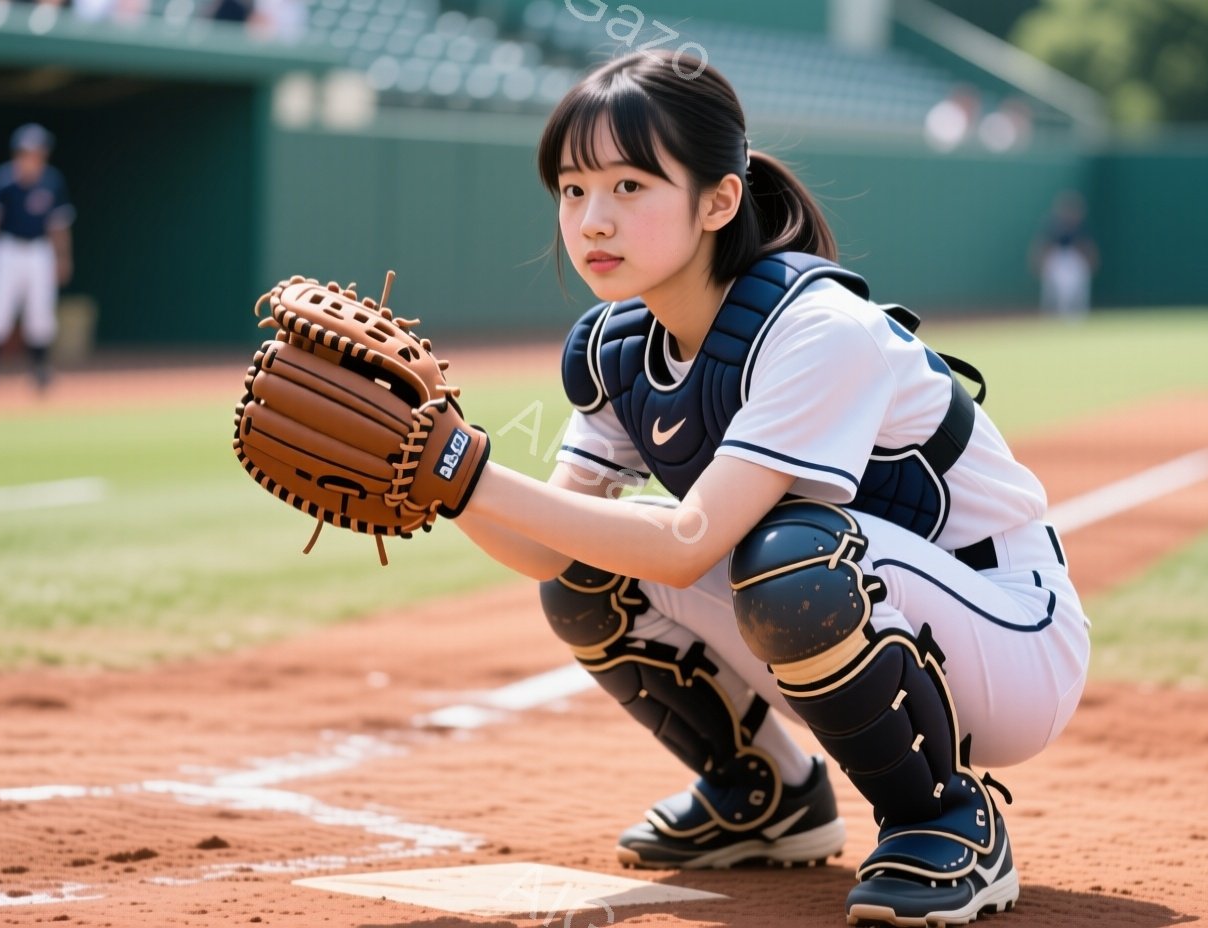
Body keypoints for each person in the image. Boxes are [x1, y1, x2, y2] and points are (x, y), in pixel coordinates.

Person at [447, 52, 1090, 926]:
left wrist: (469, 469)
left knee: (790, 556)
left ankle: (942, 815)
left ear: (719, 200)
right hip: (846, 599)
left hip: (1010, 634)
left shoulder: (817, 330)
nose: (592, 219)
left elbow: (688, 543)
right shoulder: (615, 348)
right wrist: (441, 479)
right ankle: (767, 794)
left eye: (630, 186)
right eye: (571, 189)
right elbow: (548, 545)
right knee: (582, 569)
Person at [0, 122, 75, 392]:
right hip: (7, 249)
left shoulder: (52, 180)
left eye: (40, 151)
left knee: (40, 313)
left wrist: (62, 257)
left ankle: (40, 369)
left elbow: (58, 225)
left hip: (39, 251)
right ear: (19, 152)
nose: (35, 156)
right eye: (30, 151)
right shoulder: (2, 179)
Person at [1031, 191, 1097, 322]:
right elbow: (1043, 245)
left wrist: (1091, 261)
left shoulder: (1081, 226)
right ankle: (1052, 316)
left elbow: (1087, 246)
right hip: (1057, 260)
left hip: (1074, 260)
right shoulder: (1053, 225)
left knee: (1077, 289)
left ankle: (1077, 317)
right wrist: (1039, 262)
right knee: (1055, 291)